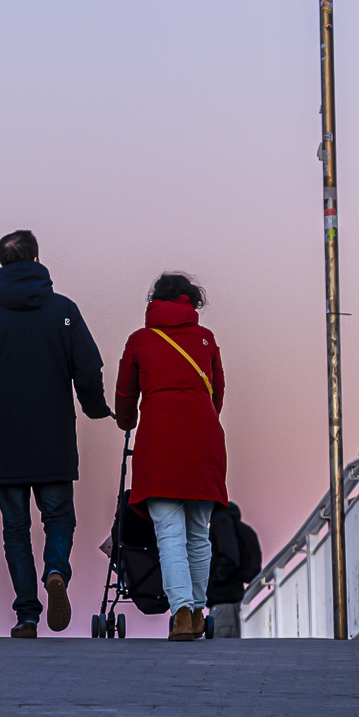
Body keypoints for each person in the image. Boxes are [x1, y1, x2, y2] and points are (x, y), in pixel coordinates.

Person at [0, 230, 112, 637]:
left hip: (5, 440)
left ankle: (27, 614)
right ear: (37, 258)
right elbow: (87, 366)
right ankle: (56, 570)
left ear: (1, 263)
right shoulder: (62, 310)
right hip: (54, 436)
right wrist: (96, 409)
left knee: (15, 529)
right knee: (59, 518)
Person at [113, 272, 228, 641]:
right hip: (203, 444)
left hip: (159, 444)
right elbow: (218, 395)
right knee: (199, 533)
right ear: (190, 302)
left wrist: (127, 420)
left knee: (168, 534)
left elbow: (125, 398)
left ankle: (180, 612)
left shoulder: (140, 341)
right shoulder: (206, 340)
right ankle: (196, 610)